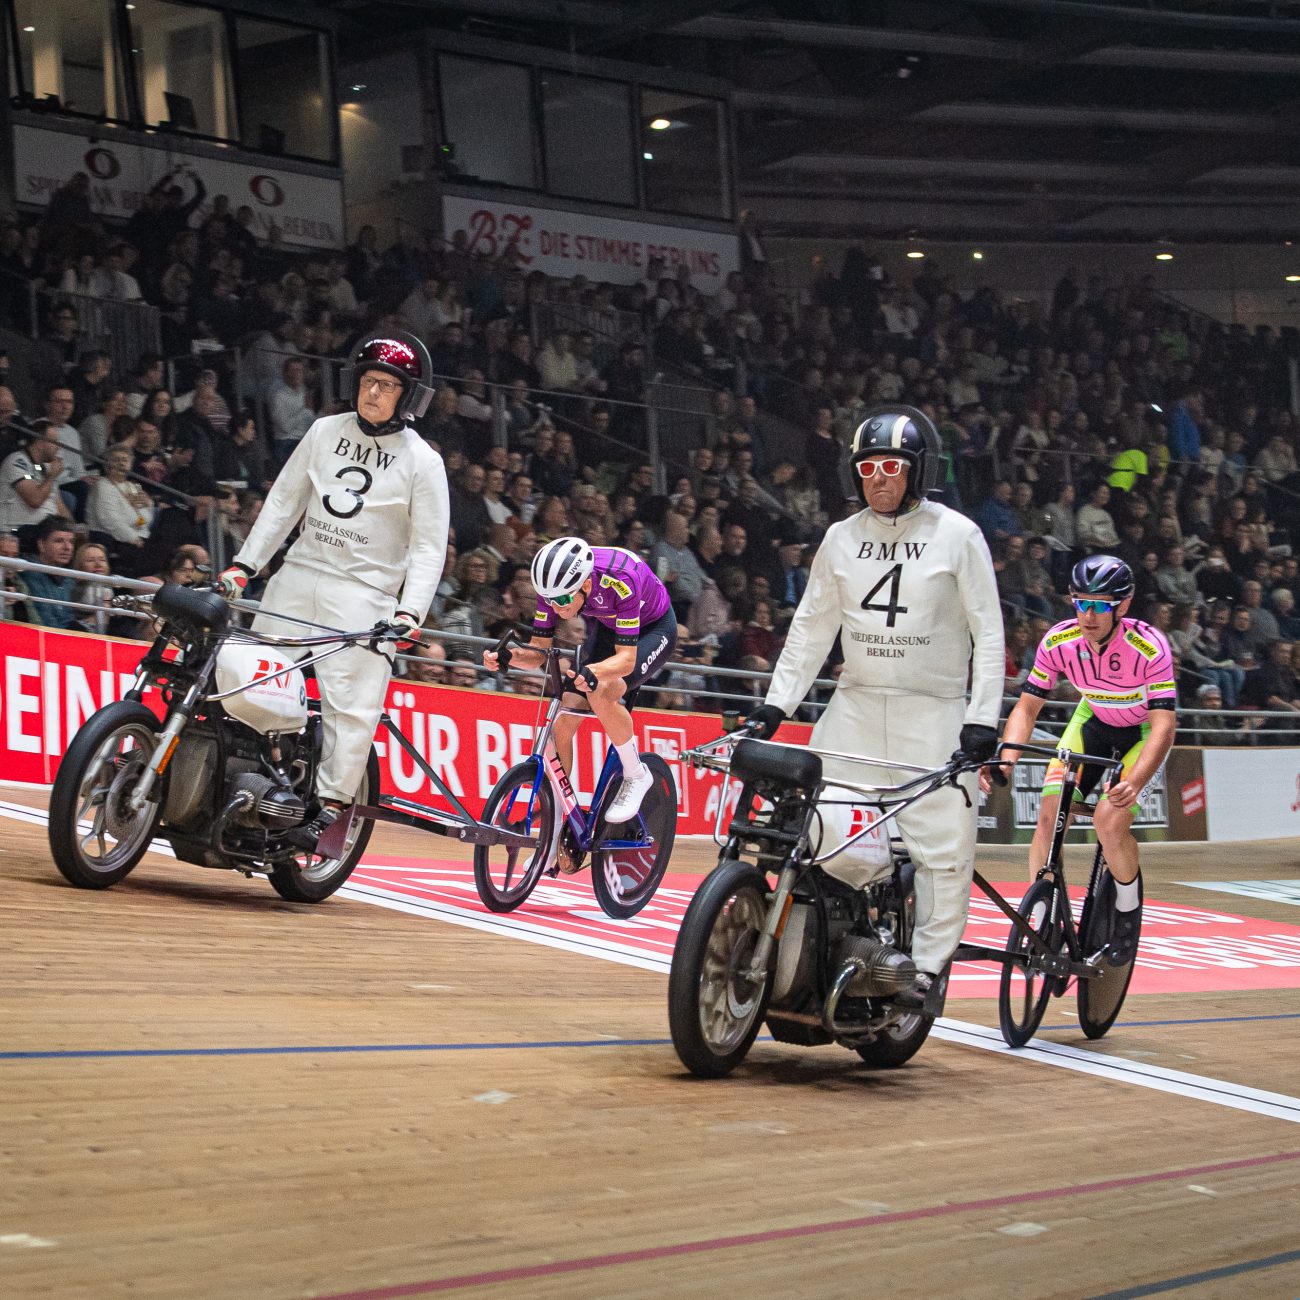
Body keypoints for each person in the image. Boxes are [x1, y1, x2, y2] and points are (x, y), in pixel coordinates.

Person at [745, 405, 1005, 1014]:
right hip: (856, 705)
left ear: (918, 471)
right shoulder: (840, 538)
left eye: (892, 466)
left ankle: (930, 971)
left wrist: (982, 720)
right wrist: (775, 706)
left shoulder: (959, 535)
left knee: (945, 847)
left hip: (936, 712)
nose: (879, 478)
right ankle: (838, 940)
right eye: (867, 467)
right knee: (807, 822)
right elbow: (811, 629)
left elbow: (988, 633)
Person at [216, 332, 449, 851]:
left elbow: (430, 548)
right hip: (298, 574)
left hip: (365, 595)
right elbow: (282, 502)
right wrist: (244, 565)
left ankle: (330, 810)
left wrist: (411, 612)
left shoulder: (423, 461)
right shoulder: (323, 431)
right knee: (250, 681)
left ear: (407, 396)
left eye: (388, 386)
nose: (374, 394)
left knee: (352, 708)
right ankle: (246, 783)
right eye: (369, 382)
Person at [992, 555, 1178, 968]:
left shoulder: (1149, 646)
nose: (1088, 615)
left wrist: (1136, 779)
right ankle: (1042, 916)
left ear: (1122, 606)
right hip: (1092, 721)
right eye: (1081, 604)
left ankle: (1127, 911)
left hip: (1142, 733)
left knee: (1109, 821)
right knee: (1048, 813)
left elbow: (1165, 726)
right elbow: (1026, 709)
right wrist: (1005, 760)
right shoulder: (1058, 642)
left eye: (1099, 605)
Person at [482, 536, 677, 836]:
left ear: (585, 586)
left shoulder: (620, 581)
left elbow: (625, 661)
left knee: (601, 690)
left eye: (562, 601)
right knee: (564, 714)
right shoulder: (554, 588)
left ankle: (636, 774)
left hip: (654, 628)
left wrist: (595, 671)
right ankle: (559, 826)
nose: (556, 609)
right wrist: (509, 656)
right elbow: (538, 652)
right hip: (613, 627)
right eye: (549, 601)